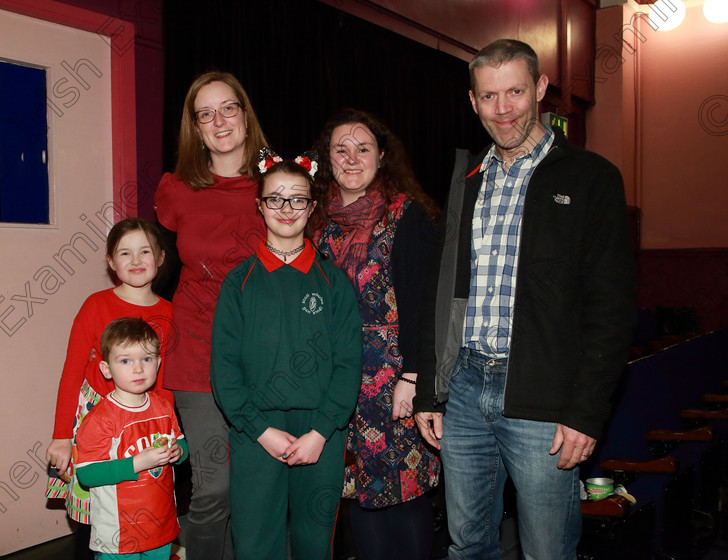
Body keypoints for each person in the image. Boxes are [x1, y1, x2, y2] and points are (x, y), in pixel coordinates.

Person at [413, 39, 636, 559]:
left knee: (547, 550)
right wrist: (430, 389)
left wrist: (586, 411)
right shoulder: (466, 180)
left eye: (515, 90)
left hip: (545, 395)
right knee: (467, 545)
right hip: (466, 388)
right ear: (473, 101)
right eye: (489, 96)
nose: (503, 108)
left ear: (539, 89)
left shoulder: (590, 178)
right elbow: (440, 293)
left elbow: (612, 307)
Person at [210, 152, 362, 560]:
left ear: (312, 207)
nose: (287, 208)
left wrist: (322, 431)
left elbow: (349, 365)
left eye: (297, 199)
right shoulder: (238, 282)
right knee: (256, 543)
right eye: (275, 198)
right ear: (259, 205)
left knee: (316, 543)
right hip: (255, 432)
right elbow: (224, 369)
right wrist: (258, 429)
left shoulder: (334, 282)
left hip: (321, 433)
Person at [312, 109, 442, 560]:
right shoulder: (315, 224)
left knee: (403, 492)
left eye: (363, 148)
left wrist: (414, 376)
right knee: (358, 494)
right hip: (337, 379)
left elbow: (428, 304)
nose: (351, 159)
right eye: (340, 150)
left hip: (394, 381)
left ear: (381, 156)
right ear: (326, 159)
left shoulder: (408, 216)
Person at [152, 71, 268, 560]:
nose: (219, 121)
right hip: (196, 351)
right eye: (206, 113)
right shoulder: (176, 189)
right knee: (214, 488)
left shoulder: (280, 183)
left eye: (228, 108)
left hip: (262, 354)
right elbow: (155, 268)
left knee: (256, 493)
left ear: (245, 114)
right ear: (195, 128)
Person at [44, 218, 175, 558]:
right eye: (125, 253)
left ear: (160, 257)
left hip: (145, 426)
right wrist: (62, 435)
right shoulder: (95, 305)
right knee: (95, 518)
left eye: (145, 251)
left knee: (142, 510)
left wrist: (169, 431)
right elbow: (72, 371)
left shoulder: (171, 313)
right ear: (111, 262)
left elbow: (165, 382)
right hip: (95, 424)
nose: (135, 261)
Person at [75, 317, 188, 558]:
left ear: (158, 363)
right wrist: (137, 463)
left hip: (161, 526)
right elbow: (86, 473)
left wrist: (179, 451)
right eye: (125, 361)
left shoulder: (163, 407)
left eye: (146, 359)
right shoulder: (100, 419)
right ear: (106, 369)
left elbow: (180, 442)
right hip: (118, 536)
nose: (138, 369)